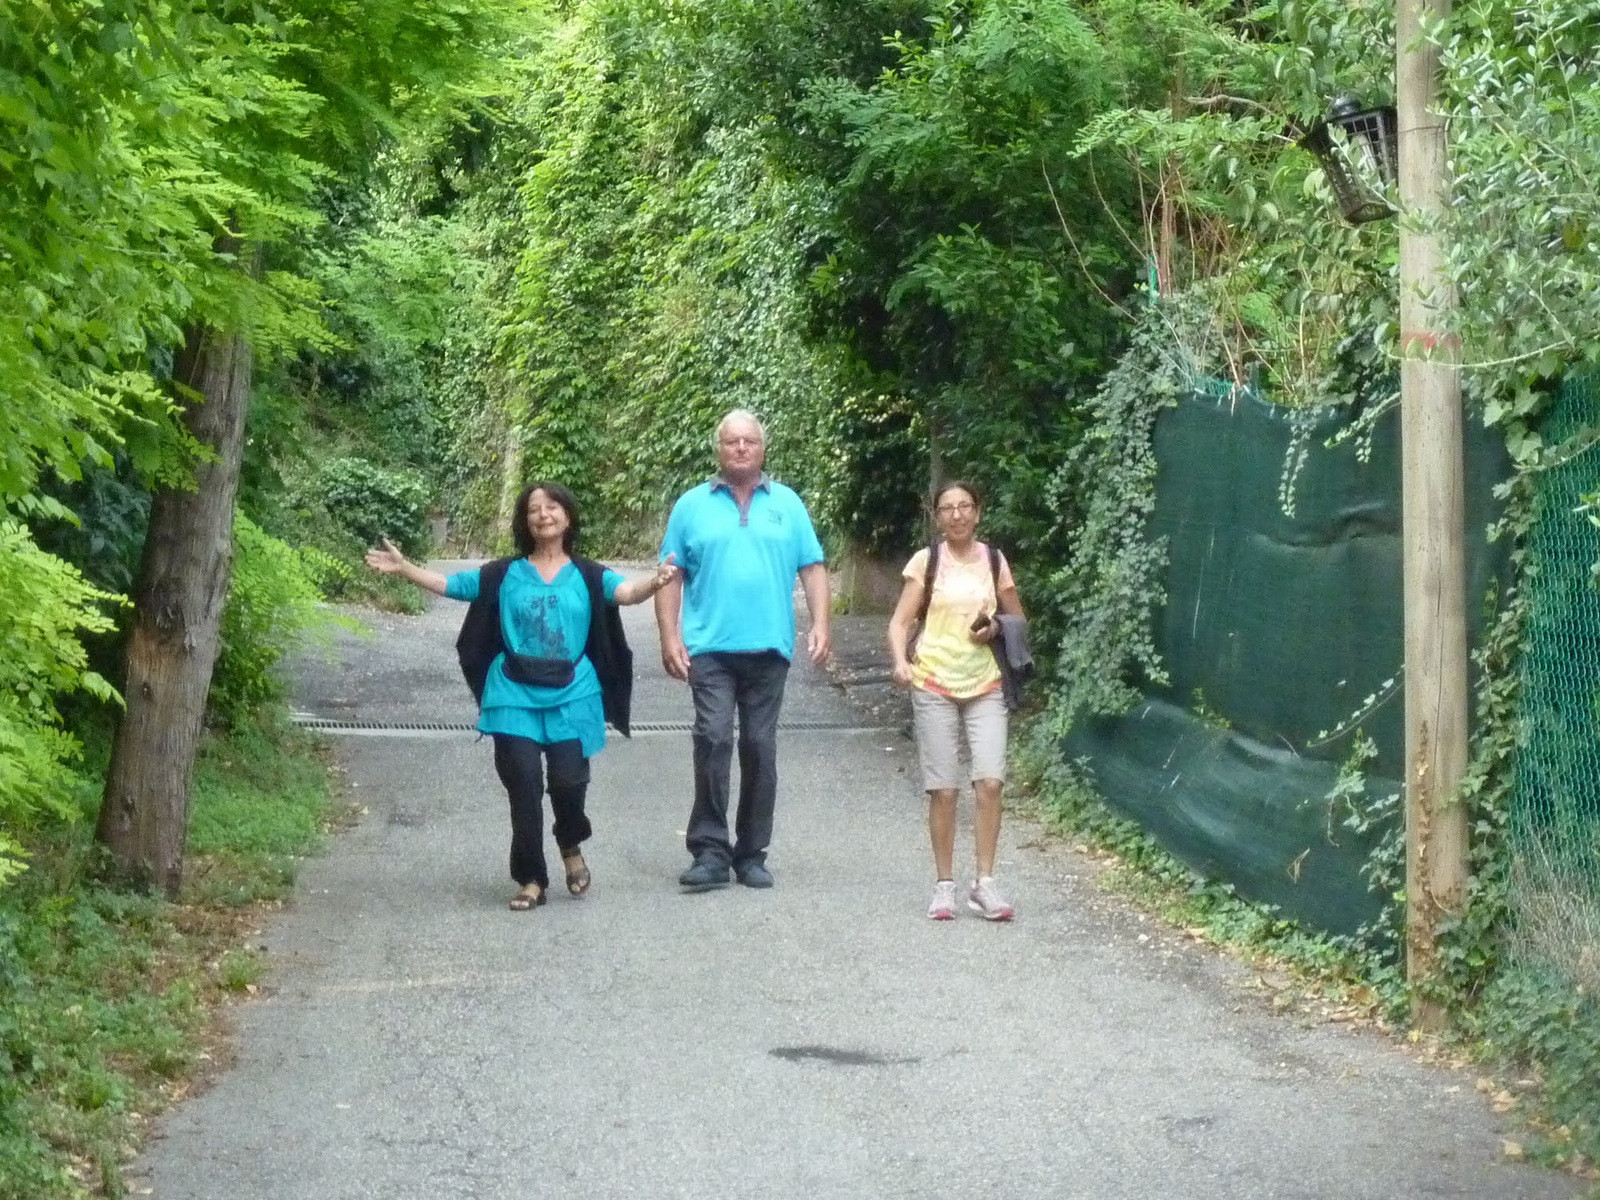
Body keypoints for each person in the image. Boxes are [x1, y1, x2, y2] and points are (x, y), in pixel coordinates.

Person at [366, 482, 676, 911]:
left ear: (568, 516)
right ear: (524, 520)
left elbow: (625, 594)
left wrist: (656, 581)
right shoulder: (502, 574)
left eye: (552, 507)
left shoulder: (588, 574)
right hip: (512, 692)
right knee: (524, 784)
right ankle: (531, 877)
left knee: (569, 780)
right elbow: (453, 585)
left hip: (573, 692)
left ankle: (569, 841)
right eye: (534, 509)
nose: (543, 514)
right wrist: (405, 569)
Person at [654, 409, 830, 891]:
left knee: (759, 746)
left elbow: (812, 566)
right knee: (712, 737)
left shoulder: (788, 505)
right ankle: (710, 851)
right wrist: (670, 636)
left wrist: (821, 624)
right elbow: (670, 575)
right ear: (718, 448)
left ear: (762, 448)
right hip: (709, 647)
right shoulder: (691, 505)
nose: (740, 448)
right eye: (731, 441)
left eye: (749, 441)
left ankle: (752, 853)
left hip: (769, 647)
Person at [886, 481, 1025, 921]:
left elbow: (1017, 617)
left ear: (979, 513)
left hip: (985, 682)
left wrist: (996, 629)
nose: (958, 515)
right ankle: (944, 885)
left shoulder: (995, 561)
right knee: (943, 790)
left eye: (965, 506)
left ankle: (985, 883)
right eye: (948, 508)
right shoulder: (925, 562)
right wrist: (899, 662)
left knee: (989, 782)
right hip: (933, 682)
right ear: (936, 516)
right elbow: (899, 623)